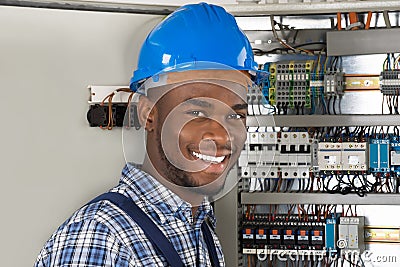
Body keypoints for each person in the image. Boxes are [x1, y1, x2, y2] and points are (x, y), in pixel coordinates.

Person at [34, 2, 260, 266]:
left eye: (235, 115)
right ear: (148, 113)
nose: (221, 136)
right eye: (196, 112)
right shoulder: (103, 238)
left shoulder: (200, 229)